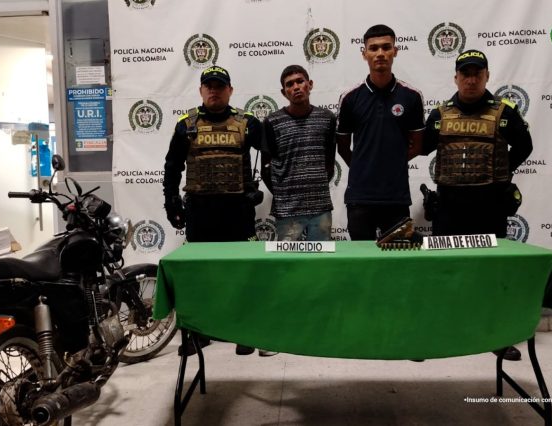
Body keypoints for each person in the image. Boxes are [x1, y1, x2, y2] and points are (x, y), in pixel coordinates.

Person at [422, 49, 533, 361]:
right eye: (465, 73)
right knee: (445, 271)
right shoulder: (440, 114)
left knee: (490, 273)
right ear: (456, 77)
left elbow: (525, 146)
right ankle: (443, 331)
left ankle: (497, 337)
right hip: (450, 205)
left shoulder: (505, 112)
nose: (471, 79)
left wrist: (502, 173)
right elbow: (420, 147)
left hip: (489, 205)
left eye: (477, 73)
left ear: (487, 76)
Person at [162, 65, 275, 357]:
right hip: (200, 210)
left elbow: (268, 156)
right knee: (199, 274)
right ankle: (197, 333)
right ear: (201, 90)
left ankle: (244, 331)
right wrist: (171, 202)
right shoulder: (186, 125)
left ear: (230, 90)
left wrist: (258, 186)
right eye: (208, 85)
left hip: (237, 210)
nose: (214, 90)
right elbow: (172, 167)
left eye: (219, 85)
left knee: (242, 272)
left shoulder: (248, 123)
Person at [336, 24, 425, 240]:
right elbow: (343, 147)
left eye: (386, 47)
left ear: (395, 51)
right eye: (374, 48)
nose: (380, 54)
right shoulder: (349, 98)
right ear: (364, 53)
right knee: (361, 263)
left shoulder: (411, 96)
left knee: (397, 263)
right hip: (360, 198)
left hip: (396, 198)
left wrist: (391, 164)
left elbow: (418, 144)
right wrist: (362, 166)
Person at [261, 65, 336, 241]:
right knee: (288, 265)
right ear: (283, 92)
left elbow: (329, 164)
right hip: (287, 210)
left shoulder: (328, 118)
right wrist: (284, 193)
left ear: (309, 84)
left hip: (320, 207)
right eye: (289, 84)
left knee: (321, 262)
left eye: (300, 81)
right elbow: (266, 168)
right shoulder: (272, 122)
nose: (295, 87)